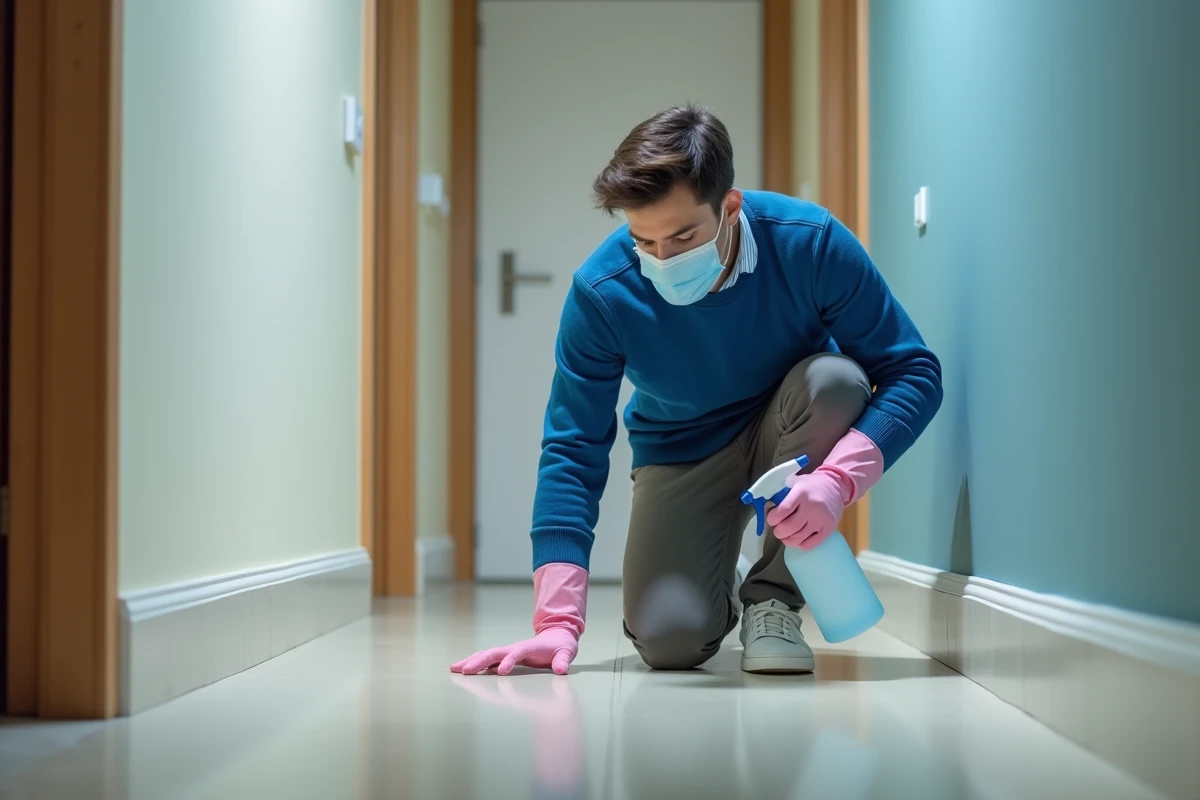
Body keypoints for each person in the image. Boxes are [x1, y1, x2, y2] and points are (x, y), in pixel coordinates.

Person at [451, 104, 942, 677]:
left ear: (729, 207)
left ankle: (774, 601)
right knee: (671, 644)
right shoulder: (602, 292)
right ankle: (717, 570)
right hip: (682, 449)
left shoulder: (809, 243)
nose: (664, 259)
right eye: (645, 241)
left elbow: (914, 371)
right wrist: (556, 622)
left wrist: (836, 482)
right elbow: (572, 446)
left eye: (684, 236)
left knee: (835, 380)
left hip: (792, 430)